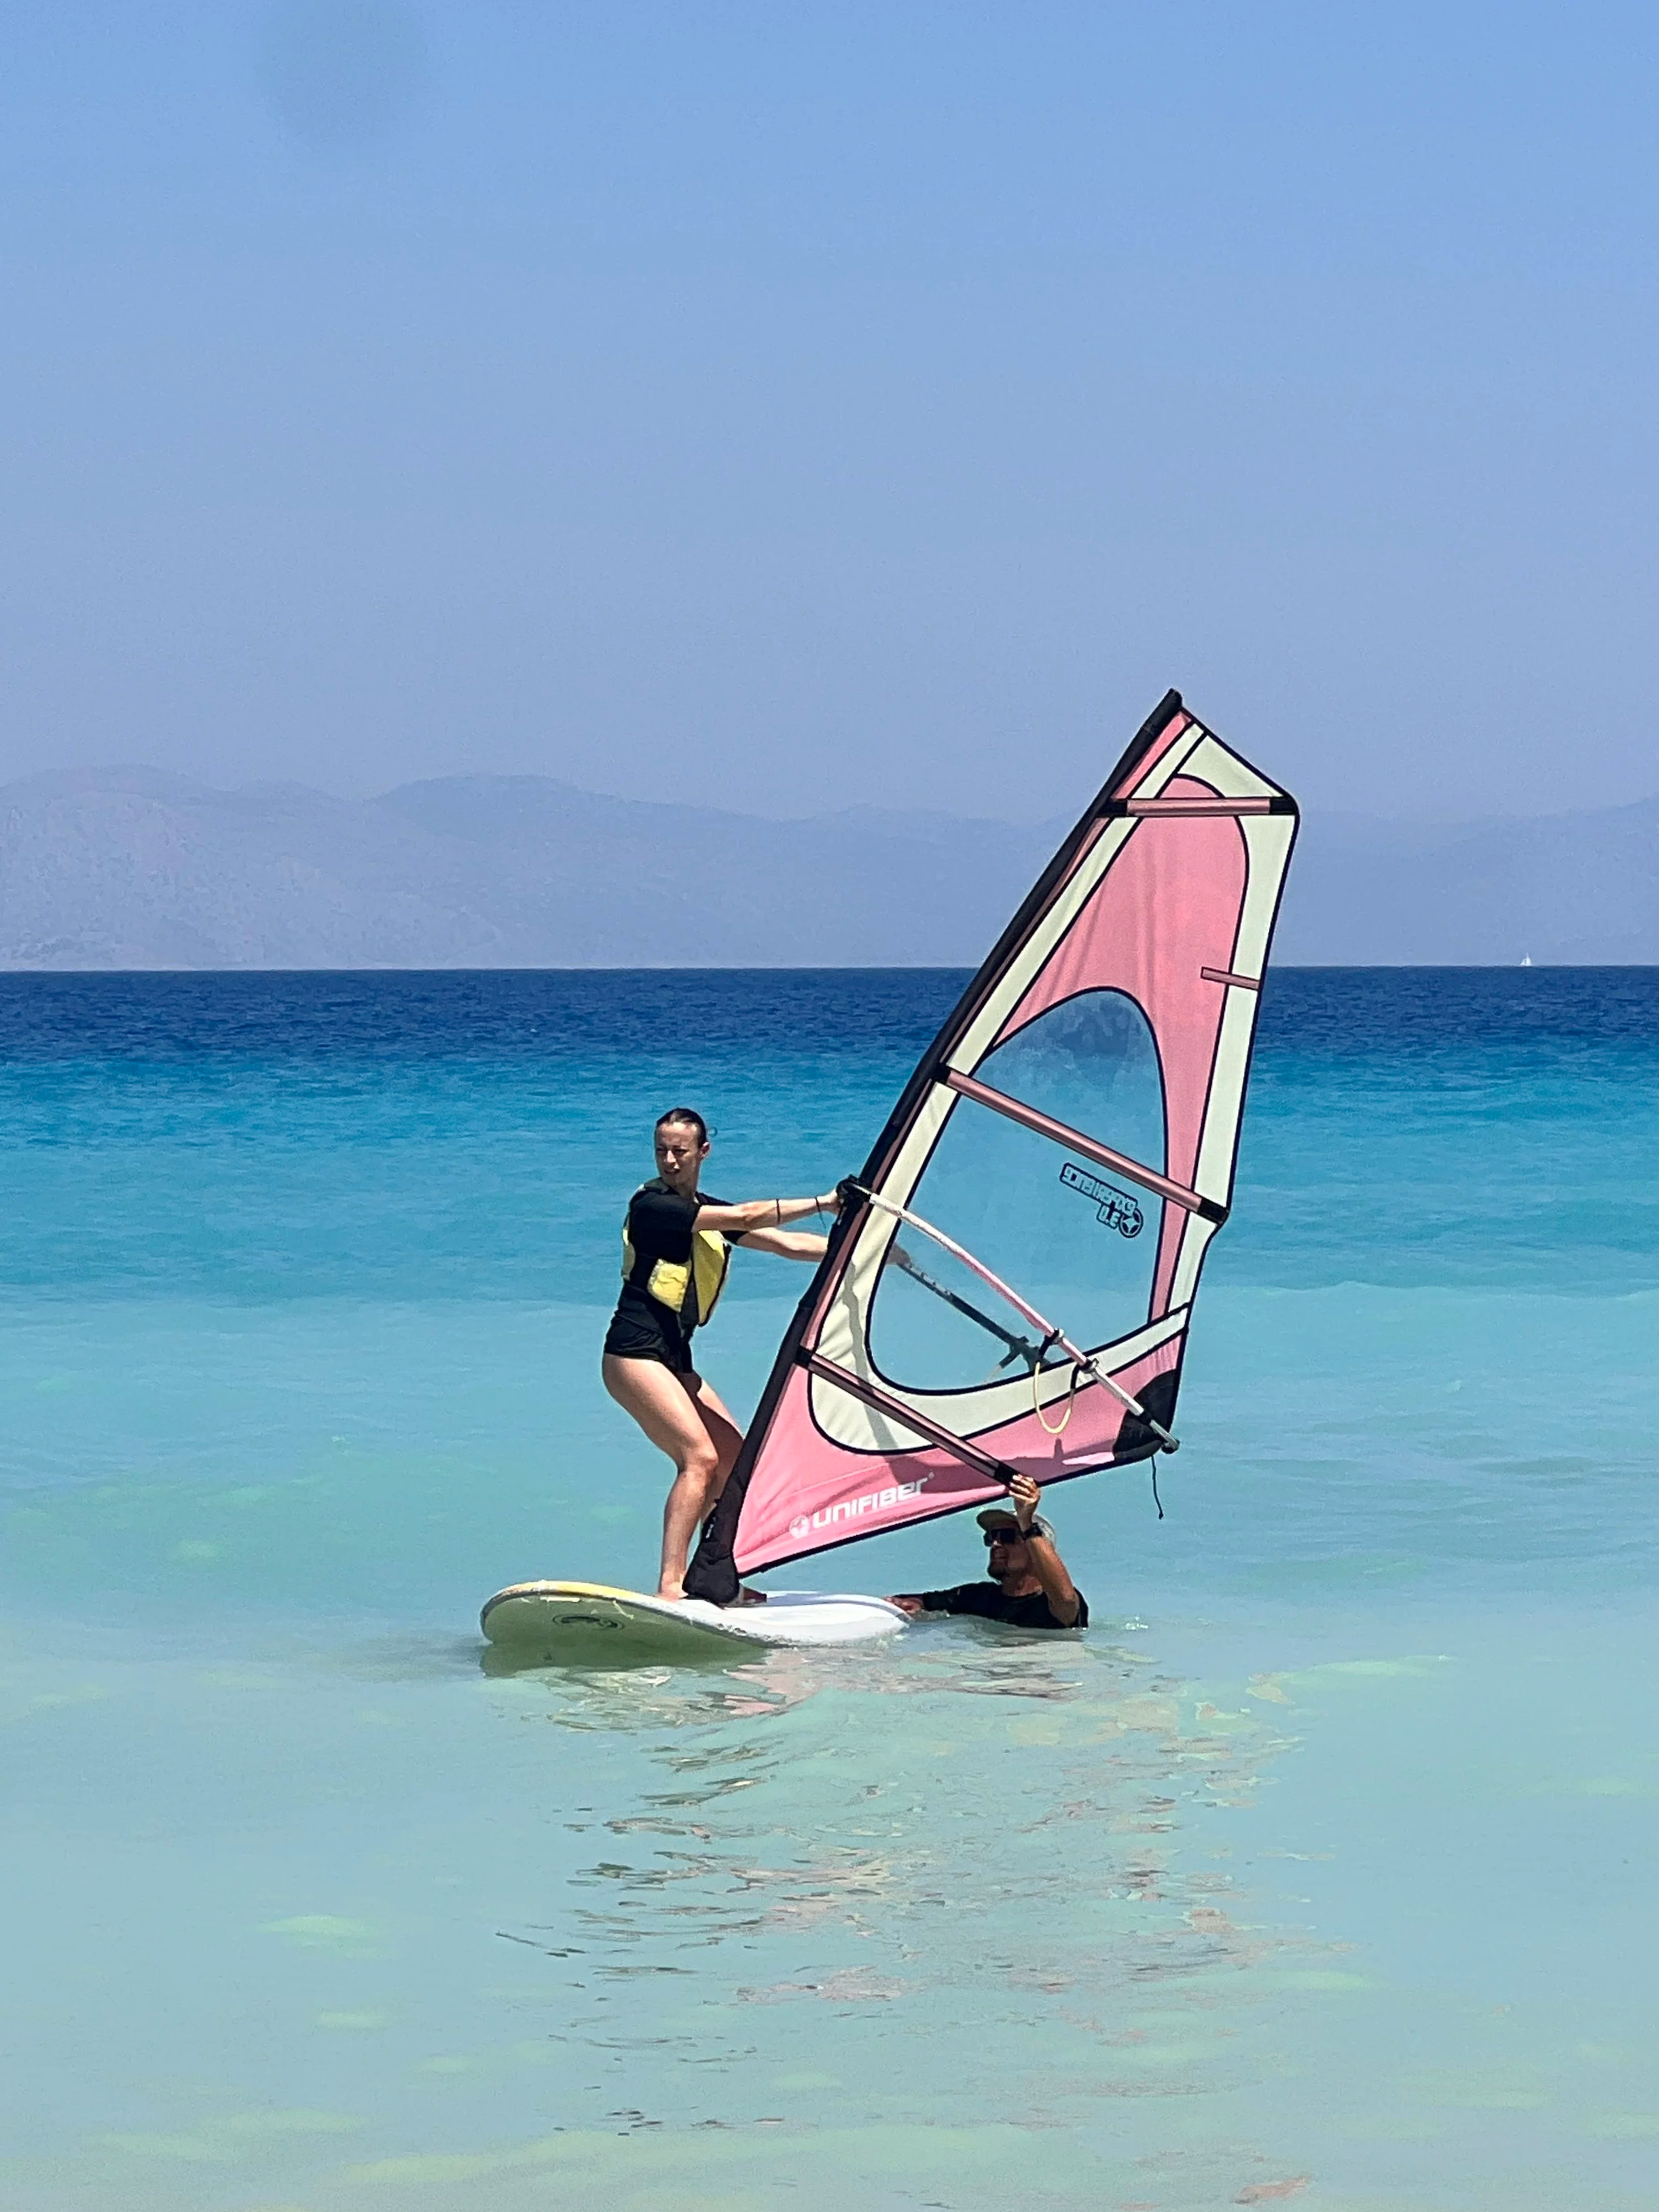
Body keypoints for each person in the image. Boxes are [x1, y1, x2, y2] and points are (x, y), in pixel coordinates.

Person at [602, 1108, 840, 1600]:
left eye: (680, 1151)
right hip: (632, 1354)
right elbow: (749, 1215)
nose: (669, 1160)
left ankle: (711, 1576)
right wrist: (826, 1201)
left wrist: (863, 1248)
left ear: (702, 1152)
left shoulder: (703, 1211)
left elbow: (785, 1243)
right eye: (661, 1150)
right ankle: (670, 1584)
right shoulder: (654, 1207)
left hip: (673, 1360)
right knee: (699, 1457)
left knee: (735, 1461)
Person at [888, 1471, 1087, 1629]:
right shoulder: (977, 1597)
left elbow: (1065, 1598)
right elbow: (918, 1602)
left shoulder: (1053, 1606)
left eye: (1007, 1537)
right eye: (992, 1537)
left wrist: (1026, 1521)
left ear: (1037, 1551)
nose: (996, 1545)